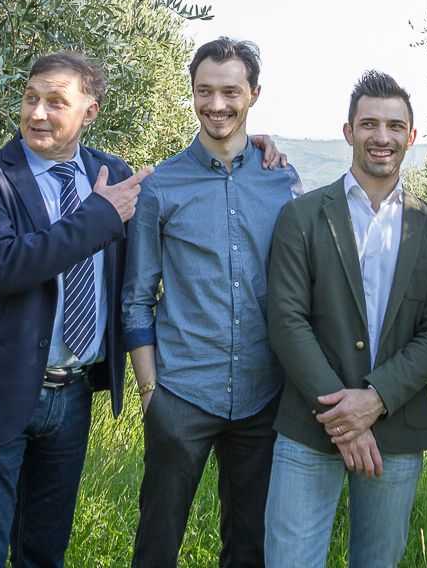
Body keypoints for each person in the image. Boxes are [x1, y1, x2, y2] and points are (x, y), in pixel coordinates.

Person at [0, 52, 152, 568]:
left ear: (89, 112)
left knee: (44, 552)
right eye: (31, 98)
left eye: (57, 102)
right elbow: (3, 266)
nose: (38, 113)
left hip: (71, 397)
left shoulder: (112, 173)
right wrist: (98, 216)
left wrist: (254, 147)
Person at [262, 71, 427, 567]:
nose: (382, 137)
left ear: (411, 137)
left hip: (396, 427)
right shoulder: (302, 216)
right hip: (309, 425)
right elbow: (286, 321)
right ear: (349, 131)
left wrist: (374, 401)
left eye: (395, 126)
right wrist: (343, 419)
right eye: (369, 123)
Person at [122, 37, 303, 568]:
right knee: (157, 541)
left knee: (249, 545)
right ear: (192, 94)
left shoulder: (281, 179)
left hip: (261, 396)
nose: (216, 105)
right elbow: (137, 298)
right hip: (180, 394)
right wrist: (151, 392)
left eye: (230, 91)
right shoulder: (163, 185)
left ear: (254, 94)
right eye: (205, 91)